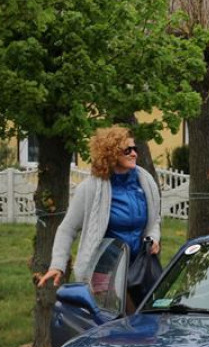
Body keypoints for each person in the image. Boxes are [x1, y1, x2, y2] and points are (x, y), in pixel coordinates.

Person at [37, 128, 161, 302]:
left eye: (135, 149)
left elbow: (154, 220)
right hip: (104, 273)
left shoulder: (145, 182)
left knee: (145, 321)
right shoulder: (90, 189)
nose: (134, 154)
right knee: (113, 324)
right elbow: (67, 229)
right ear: (111, 154)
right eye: (127, 150)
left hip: (140, 269)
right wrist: (58, 265)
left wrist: (153, 237)